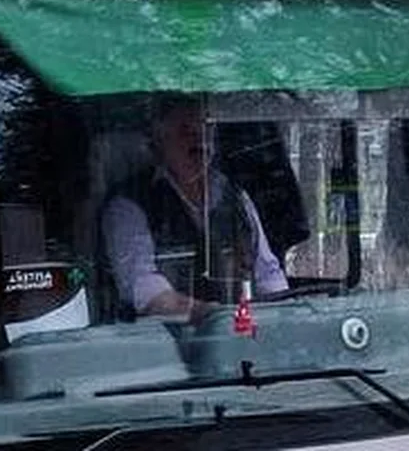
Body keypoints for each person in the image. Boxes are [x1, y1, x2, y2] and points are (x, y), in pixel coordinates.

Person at [101, 96, 288, 321]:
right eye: (184, 130)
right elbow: (146, 294)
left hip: (242, 337)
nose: (199, 140)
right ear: (159, 139)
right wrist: (211, 315)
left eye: (205, 129)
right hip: (167, 346)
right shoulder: (128, 206)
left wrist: (283, 316)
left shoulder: (236, 197)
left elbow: (268, 275)